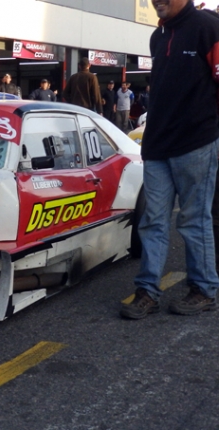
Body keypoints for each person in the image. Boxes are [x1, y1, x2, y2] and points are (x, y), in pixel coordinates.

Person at [120, 0, 219, 319]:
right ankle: (148, 290)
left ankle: (203, 289)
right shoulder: (158, 36)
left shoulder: (207, 26)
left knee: (193, 219)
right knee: (152, 221)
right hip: (158, 144)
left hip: (196, 142)